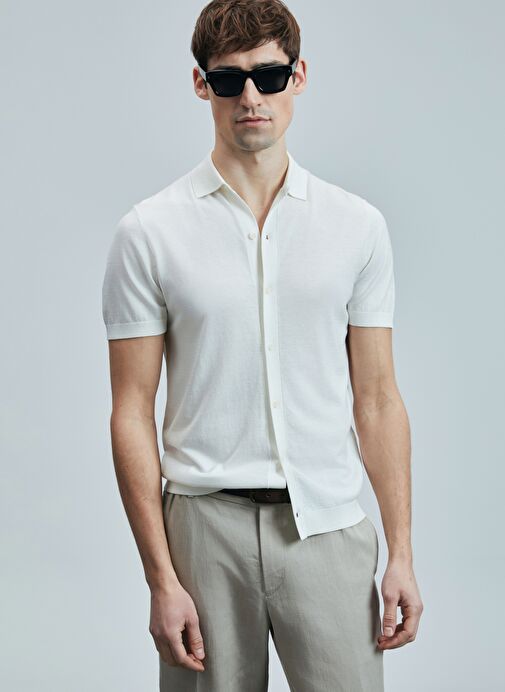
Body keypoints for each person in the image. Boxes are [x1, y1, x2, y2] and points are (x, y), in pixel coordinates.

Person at [101, 1, 423, 689]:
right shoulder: (149, 232)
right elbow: (131, 409)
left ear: (298, 77)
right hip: (202, 532)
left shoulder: (357, 227)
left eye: (269, 76)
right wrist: (160, 578)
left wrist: (401, 552)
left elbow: (376, 398)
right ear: (201, 85)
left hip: (326, 530)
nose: (251, 97)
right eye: (229, 80)